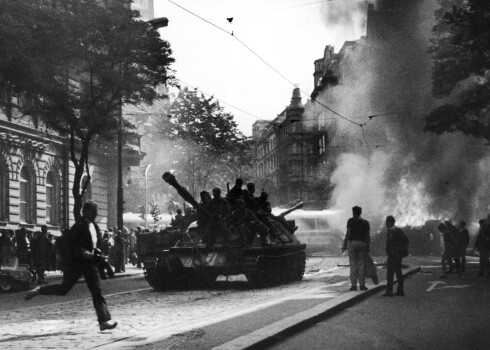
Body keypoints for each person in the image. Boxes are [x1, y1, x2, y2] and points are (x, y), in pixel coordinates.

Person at [24, 202, 117, 331]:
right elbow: (73, 246)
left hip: (90, 265)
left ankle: (103, 321)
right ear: (86, 212)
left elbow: (96, 246)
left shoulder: (94, 226)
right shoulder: (78, 226)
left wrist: (99, 259)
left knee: (97, 292)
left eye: (96, 210)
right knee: (64, 289)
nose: (96, 213)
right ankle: (40, 290)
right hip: (76, 264)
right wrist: (84, 253)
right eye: (93, 211)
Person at [342, 206, 370, 291]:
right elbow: (368, 236)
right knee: (361, 265)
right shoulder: (365, 222)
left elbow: (348, 234)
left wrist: (344, 245)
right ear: (360, 212)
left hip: (353, 243)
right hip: (362, 243)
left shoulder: (350, 221)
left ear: (353, 212)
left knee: (353, 265)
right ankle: (362, 285)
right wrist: (368, 246)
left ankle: (354, 285)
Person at [383, 216, 408, 297]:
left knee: (390, 272)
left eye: (386, 222)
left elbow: (390, 241)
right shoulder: (398, 229)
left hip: (393, 254)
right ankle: (400, 290)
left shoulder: (391, 230)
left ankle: (389, 291)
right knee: (398, 272)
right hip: (399, 254)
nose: (385, 223)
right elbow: (406, 240)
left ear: (389, 222)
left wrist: (389, 251)